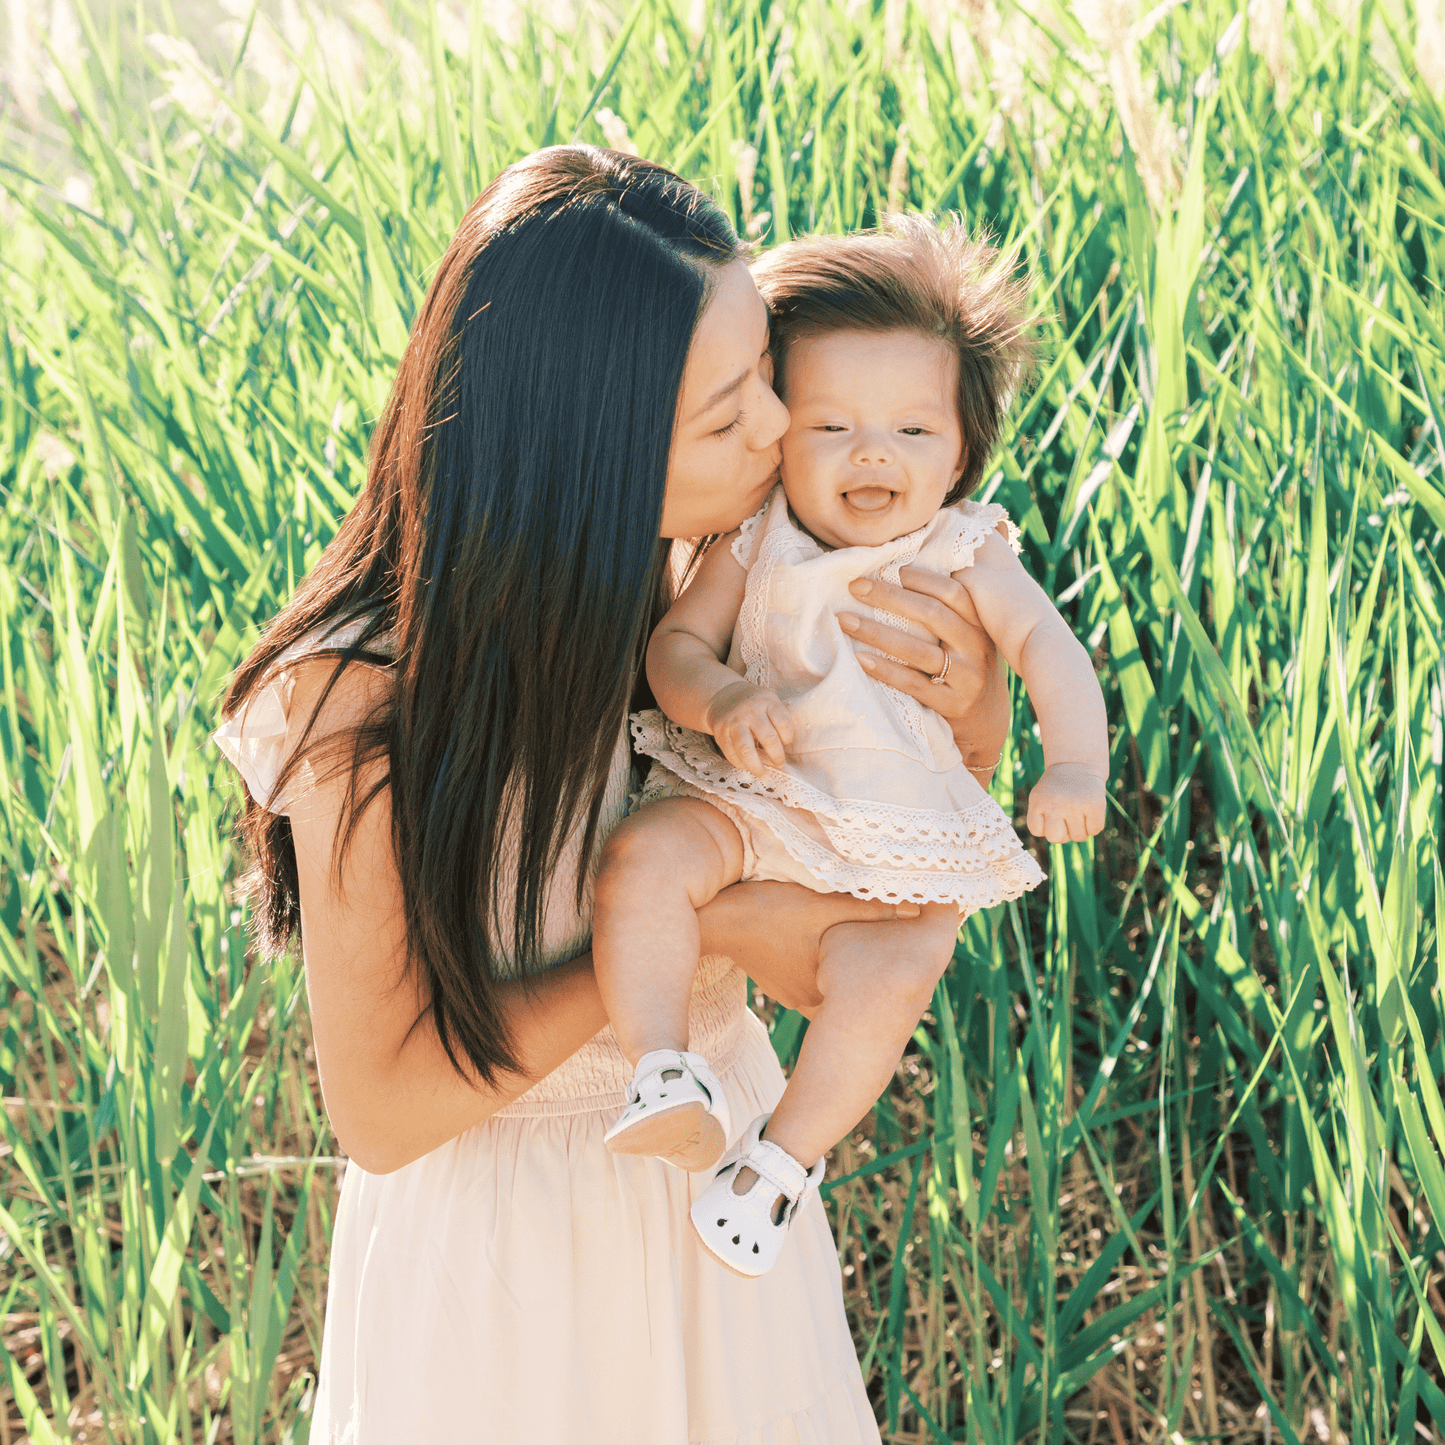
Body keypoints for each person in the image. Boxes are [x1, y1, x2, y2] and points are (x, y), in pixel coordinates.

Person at [214, 147, 1012, 1443]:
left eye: (766, 374)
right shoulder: (355, 698)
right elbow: (383, 1109)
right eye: (725, 414)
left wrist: (973, 707)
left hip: (720, 1212)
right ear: (593, 449)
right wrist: (681, 928)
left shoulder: (722, 594)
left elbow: (869, 893)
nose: (779, 426)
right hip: (503, 1268)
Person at [593, 216, 1108, 1278]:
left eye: (912, 429)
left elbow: (1048, 651)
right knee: (644, 858)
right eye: (829, 425)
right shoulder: (758, 537)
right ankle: (661, 1068)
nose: (872, 452)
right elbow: (674, 648)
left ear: (961, 448)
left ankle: (779, 1162)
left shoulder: (964, 548)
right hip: (748, 794)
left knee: (894, 973)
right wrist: (722, 697)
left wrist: (1074, 764)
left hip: (886, 824)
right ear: (778, 435)